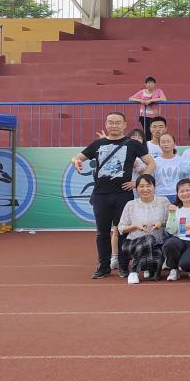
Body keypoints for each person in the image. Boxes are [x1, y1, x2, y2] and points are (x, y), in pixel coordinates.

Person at [72, 112, 154, 279]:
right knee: (102, 233)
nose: (114, 125)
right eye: (111, 122)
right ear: (106, 124)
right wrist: (76, 162)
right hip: (101, 195)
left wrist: (138, 183)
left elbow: (151, 163)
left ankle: (124, 266)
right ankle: (103, 266)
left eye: (117, 122)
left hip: (123, 195)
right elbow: (77, 157)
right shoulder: (97, 144)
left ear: (124, 125)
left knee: (123, 231)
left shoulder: (132, 144)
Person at [116, 174, 169, 284]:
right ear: (136, 188)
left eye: (148, 186)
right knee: (148, 239)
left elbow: (171, 223)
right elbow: (121, 228)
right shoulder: (131, 204)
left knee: (155, 275)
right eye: (141, 186)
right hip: (132, 243)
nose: (145, 189)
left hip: (156, 244)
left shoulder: (163, 202)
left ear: (154, 187)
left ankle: (146, 266)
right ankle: (134, 272)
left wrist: (161, 223)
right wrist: (135, 226)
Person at [163, 179, 190, 281]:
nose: (185, 194)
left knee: (185, 265)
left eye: (187, 190)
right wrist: (172, 214)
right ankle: (174, 269)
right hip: (180, 240)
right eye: (181, 191)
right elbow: (171, 231)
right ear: (177, 194)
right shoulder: (176, 208)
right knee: (170, 243)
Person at [152, 133, 187, 201]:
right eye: (163, 142)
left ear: (174, 144)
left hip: (178, 195)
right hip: (160, 195)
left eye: (169, 141)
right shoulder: (154, 161)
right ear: (159, 145)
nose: (166, 144)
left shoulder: (181, 160)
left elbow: (186, 178)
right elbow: (152, 179)